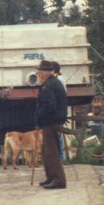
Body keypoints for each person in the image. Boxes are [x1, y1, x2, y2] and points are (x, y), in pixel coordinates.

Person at [35, 59, 68, 189]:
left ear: (44, 73)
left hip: (51, 122)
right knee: (47, 151)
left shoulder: (49, 85)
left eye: (38, 73)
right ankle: (51, 177)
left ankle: (58, 180)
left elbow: (48, 105)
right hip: (52, 122)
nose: (38, 75)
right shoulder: (53, 83)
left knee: (52, 152)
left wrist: (40, 119)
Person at [51, 61, 67, 161]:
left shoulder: (58, 80)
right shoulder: (58, 79)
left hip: (58, 110)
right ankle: (58, 156)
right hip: (57, 110)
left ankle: (60, 156)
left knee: (58, 134)